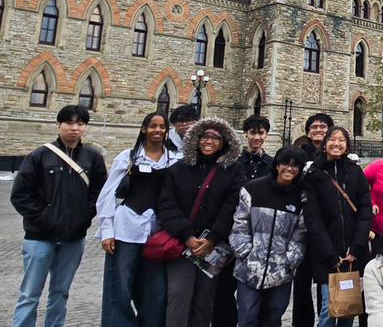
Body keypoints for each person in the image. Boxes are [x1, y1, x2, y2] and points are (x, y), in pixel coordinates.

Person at [11, 105, 108, 327]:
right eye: (69, 123)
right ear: (58, 125)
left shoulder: (93, 158)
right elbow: (20, 195)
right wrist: (44, 218)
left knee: (60, 292)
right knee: (29, 294)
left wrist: (84, 215)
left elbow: (100, 193)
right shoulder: (39, 156)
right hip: (39, 238)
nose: (74, 128)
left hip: (73, 238)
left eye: (80, 123)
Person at [157, 117, 246, 327]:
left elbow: (232, 205)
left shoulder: (233, 170)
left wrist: (213, 238)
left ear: (224, 142)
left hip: (213, 246)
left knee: (204, 299)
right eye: (204, 136)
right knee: (178, 295)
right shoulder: (178, 169)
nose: (209, 141)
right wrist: (187, 236)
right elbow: (167, 204)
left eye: (215, 138)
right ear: (196, 139)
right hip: (182, 243)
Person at [97, 111, 179, 327]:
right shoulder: (128, 157)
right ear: (144, 129)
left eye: (162, 126)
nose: (158, 130)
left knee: (156, 288)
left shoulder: (174, 159)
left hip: (158, 232)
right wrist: (107, 231)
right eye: (153, 126)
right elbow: (107, 194)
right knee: (120, 286)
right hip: (127, 228)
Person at [230, 145, 309, 327]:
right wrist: (246, 253)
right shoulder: (253, 188)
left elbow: (300, 232)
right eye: (285, 164)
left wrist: (290, 260)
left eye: (295, 165)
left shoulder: (301, 196)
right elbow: (240, 223)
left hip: (281, 269)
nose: (289, 169)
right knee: (247, 316)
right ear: (276, 165)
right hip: (249, 266)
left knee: (273, 317)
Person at [302, 126, 373, 327]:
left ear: (347, 145)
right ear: (324, 144)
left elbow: (365, 210)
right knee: (328, 311)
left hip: (352, 254)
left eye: (342, 140)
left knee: (347, 309)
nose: (337, 144)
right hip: (327, 256)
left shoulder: (355, 171)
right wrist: (331, 254)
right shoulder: (314, 174)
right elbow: (313, 218)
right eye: (332, 139)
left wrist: (357, 246)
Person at [216, 115, 276, 327]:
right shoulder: (233, 162)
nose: (256, 137)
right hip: (232, 230)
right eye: (253, 133)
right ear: (246, 134)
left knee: (258, 288)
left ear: (266, 135)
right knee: (224, 287)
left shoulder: (273, 164)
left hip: (261, 232)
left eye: (261, 133)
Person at [293, 112, 333, 327]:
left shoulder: (336, 156)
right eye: (314, 127)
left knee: (324, 281)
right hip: (302, 226)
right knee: (301, 281)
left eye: (323, 127)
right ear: (308, 132)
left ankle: (324, 321)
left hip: (327, 228)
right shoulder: (300, 155)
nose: (318, 130)